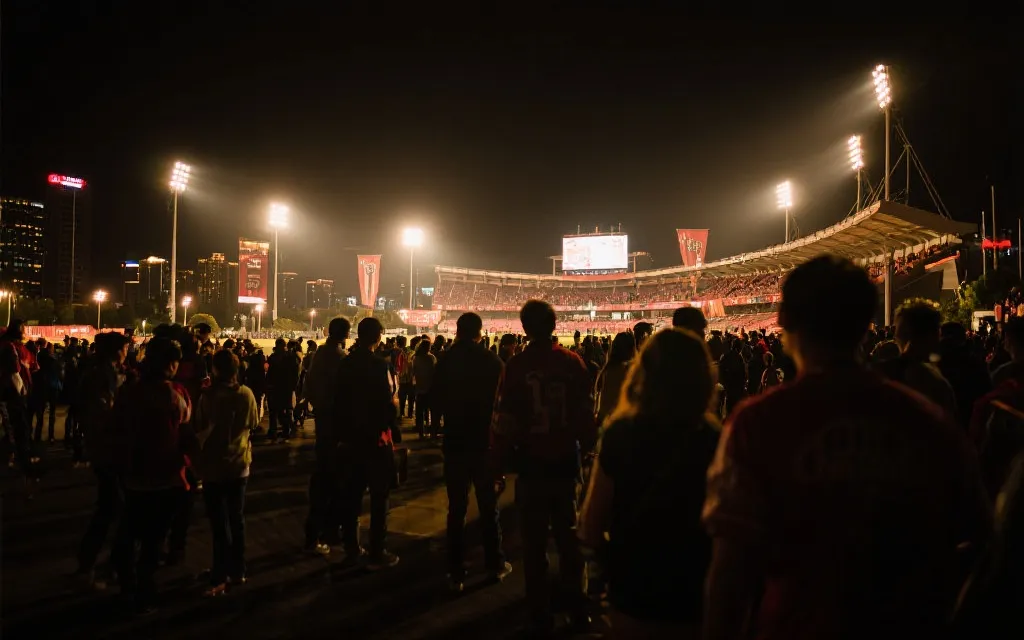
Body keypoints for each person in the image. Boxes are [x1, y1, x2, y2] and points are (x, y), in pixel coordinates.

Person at [702, 255, 991, 640]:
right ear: (866, 325)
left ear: (785, 320)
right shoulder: (928, 421)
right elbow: (980, 540)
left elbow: (730, 571)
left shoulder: (758, 423)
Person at [580, 328, 720, 638]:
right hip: (696, 593)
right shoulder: (715, 439)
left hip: (634, 590)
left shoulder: (620, 433)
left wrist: (611, 567)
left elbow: (590, 525)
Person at [492, 300, 596, 634]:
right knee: (569, 539)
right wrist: (591, 453)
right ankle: (577, 607)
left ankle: (540, 613)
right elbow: (585, 418)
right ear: (555, 326)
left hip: (532, 464)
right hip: (566, 462)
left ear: (524, 327)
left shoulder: (517, 366)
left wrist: (496, 463)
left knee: (534, 545)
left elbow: (504, 422)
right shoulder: (573, 362)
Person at [111, 337, 194, 614]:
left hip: (133, 474)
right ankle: (143, 591)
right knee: (152, 541)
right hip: (166, 476)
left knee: (130, 533)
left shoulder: (128, 392)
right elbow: (185, 429)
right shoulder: (176, 394)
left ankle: (127, 586)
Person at [432, 312, 510, 592]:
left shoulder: (446, 360)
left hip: (455, 439)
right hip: (484, 441)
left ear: (457, 330)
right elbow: (503, 406)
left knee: (457, 508)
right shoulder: (492, 361)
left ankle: (456, 570)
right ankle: (494, 563)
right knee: (488, 507)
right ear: (479, 333)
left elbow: (435, 400)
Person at [334, 317, 400, 570]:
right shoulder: (380, 366)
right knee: (379, 497)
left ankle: (352, 548)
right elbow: (388, 403)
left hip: (350, 439)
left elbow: (337, 402)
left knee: (351, 497)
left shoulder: (346, 364)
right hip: (375, 440)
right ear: (378, 336)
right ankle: (377, 549)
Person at [193, 349, 259, 596]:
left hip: (213, 465)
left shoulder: (208, 397)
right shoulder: (246, 394)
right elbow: (252, 424)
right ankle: (238, 570)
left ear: (215, 370)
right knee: (237, 519)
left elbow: (199, 426)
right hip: (240, 463)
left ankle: (219, 574)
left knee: (219, 523)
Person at [75, 332, 131, 589]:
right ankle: (97, 567)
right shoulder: (102, 376)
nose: (127, 351)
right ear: (115, 351)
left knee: (110, 508)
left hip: (104, 449)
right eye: (125, 348)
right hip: (108, 451)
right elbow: (103, 413)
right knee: (114, 509)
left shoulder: (102, 372)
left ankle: (93, 565)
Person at [303, 317, 350, 555]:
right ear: (346, 334)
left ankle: (320, 532)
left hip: (322, 420)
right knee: (333, 480)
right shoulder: (339, 358)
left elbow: (308, 387)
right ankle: (325, 533)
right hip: (335, 424)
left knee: (324, 476)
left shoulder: (318, 355)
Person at [595, 332, 635, 427]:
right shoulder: (627, 370)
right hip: (616, 425)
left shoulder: (607, 370)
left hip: (603, 422)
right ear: (630, 349)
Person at [266, 338, 300, 443]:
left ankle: (274, 431)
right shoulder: (290, 357)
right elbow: (295, 372)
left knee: (274, 411)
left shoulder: (273, 357)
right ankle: (286, 430)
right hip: (285, 387)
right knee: (283, 410)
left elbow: (270, 372)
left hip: (275, 386)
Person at [412, 338, 437, 439]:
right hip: (431, 389)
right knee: (432, 411)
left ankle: (421, 433)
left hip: (420, 388)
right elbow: (435, 373)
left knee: (420, 412)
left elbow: (414, 373)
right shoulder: (431, 358)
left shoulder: (416, 358)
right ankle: (431, 432)